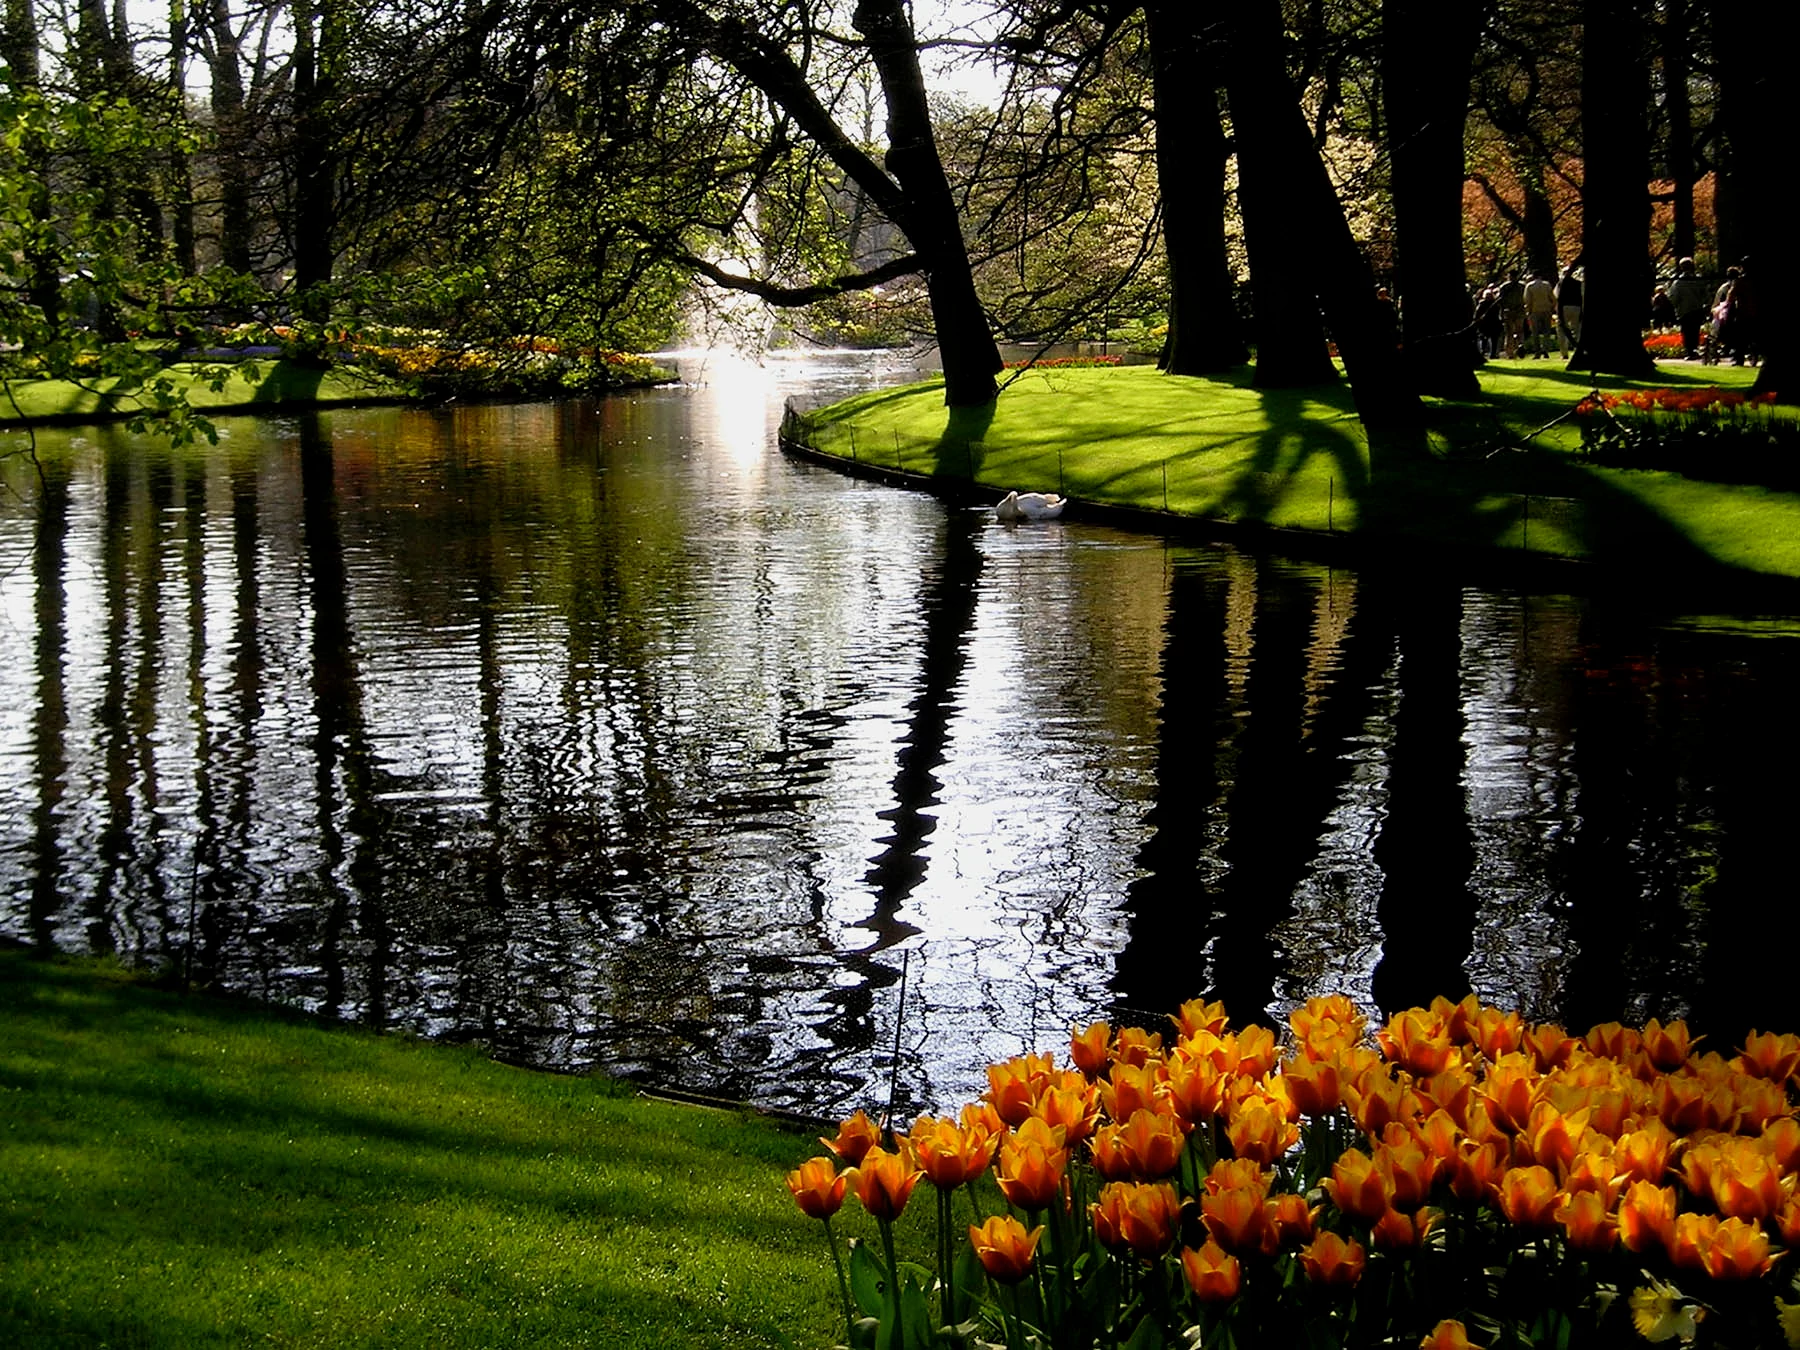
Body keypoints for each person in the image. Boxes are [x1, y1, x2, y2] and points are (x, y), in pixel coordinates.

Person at [1667, 258, 1711, 360]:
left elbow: (1673, 298)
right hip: (1697, 309)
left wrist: (1676, 306)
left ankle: (1690, 352)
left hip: (1684, 311)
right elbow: (1706, 295)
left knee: (1687, 332)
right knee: (1695, 331)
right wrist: (1703, 304)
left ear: (1681, 267)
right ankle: (1694, 350)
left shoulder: (1678, 283)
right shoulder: (1698, 280)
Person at [1524, 272, 1558, 356]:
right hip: (1546, 309)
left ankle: (1537, 351)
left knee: (1535, 332)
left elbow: (1527, 300)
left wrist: (1528, 311)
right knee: (1547, 331)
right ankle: (1545, 349)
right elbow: (1553, 298)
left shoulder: (1529, 286)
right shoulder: (1547, 285)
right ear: (1540, 276)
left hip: (1534, 310)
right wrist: (1552, 307)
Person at [1497, 273, 1527, 358]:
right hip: (1520, 310)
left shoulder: (1504, 286)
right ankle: (1521, 346)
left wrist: (1501, 312)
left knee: (1509, 332)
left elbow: (1500, 300)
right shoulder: (1522, 286)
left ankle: (1510, 352)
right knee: (1520, 330)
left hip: (1508, 311)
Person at [1556, 263, 1583, 349]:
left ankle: (1564, 352)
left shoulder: (1561, 283)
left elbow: (1557, 296)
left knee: (1561, 329)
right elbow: (1581, 296)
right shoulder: (1578, 283)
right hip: (1576, 307)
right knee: (1577, 329)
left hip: (1564, 307)